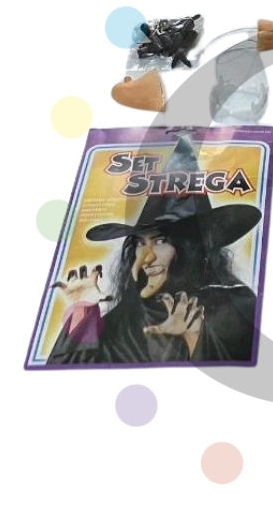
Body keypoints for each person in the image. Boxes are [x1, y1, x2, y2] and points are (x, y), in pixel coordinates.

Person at [46, 134, 262, 365]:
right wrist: (82, 313)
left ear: (191, 248)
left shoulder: (233, 307)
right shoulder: (122, 321)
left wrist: (194, 339)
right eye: (140, 243)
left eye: (160, 241)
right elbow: (65, 380)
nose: (146, 258)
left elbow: (243, 376)